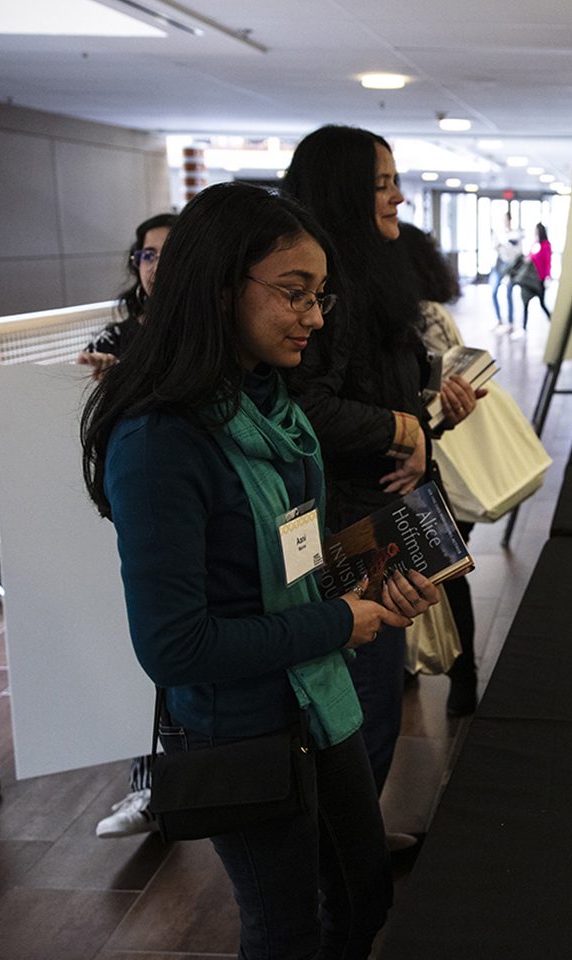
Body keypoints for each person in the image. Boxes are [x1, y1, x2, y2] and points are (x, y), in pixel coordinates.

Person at [80, 181, 439, 957]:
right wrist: (342, 619)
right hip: (241, 730)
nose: (313, 317)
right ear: (217, 290)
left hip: (319, 698)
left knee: (362, 891)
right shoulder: (159, 443)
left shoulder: (272, 406)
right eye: (293, 294)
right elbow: (176, 649)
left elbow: (286, 562)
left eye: (320, 296)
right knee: (287, 928)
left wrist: (366, 586)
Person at [282, 125, 482, 791]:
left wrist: (428, 426)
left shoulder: (369, 278)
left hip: (380, 521)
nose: (399, 198)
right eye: (383, 183)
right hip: (346, 540)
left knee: (375, 718)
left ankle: (352, 857)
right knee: (359, 720)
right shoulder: (327, 293)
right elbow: (306, 409)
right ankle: (343, 878)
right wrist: (402, 424)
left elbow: (380, 419)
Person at [77, 212, 177, 837]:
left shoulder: (211, 333)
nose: (155, 265)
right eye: (145, 255)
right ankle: (148, 789)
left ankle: (192, 784)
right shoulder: (116, 338)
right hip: (130, 505)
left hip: (189, 503)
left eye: (168, 253)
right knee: (136, 646)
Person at [396, 222, 483, 717]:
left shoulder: (422, 316)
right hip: (429, 463)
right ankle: (445, 674)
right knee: (437, 573)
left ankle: (462, 675)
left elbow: (444, 389)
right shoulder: (427, 313)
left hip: (432, 466)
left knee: (444, 572)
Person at [78, 213, 177, 379]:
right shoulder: (113, 340)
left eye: (170, 255)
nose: (157, 268)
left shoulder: (214, 331)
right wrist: (90, 373)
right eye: (148, 256)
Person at [512, 221, 552, 341]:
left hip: (539, 280)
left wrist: (547, 277)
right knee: (525, 303)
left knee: (542, 303)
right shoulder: (535, 244)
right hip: (529, 280)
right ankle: (523, 328)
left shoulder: (545, 245)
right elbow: (529, 257)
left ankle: (552, 321)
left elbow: (547, 262)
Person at [488, 211, 522, 334]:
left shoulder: (515, 235)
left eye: (505, 219)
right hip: (499, 265)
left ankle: (511, 323)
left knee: (509, 294)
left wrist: (506, 245)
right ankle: (499, 320)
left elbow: (517, 253)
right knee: (493, 292)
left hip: (510, 267)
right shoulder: (499, 233)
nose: (504, 222)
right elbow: (495, 248)